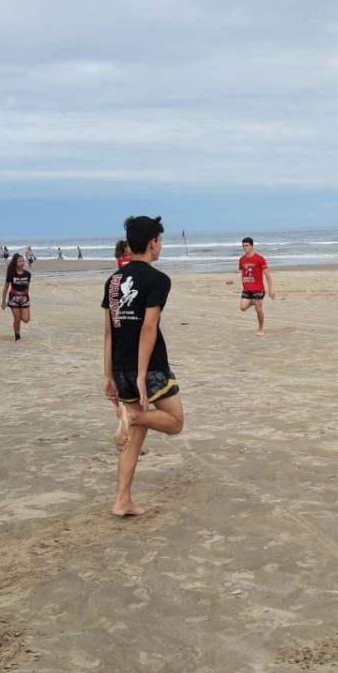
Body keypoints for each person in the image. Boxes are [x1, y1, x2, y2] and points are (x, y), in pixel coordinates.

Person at [102, 214, 184, 517]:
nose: (160, 246)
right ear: (153, 243)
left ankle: (122, 500)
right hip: (147, 368)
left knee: (134, 438)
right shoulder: (158, 279)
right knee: (174, 422)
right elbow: (149, 328)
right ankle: (133, 416)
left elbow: (109, 330)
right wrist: (140, 375)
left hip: (121, 366)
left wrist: (108, 374)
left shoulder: (113, 281)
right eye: (160, 240)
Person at [238, 237, 275, 334]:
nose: (245, 248)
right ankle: (255, 302)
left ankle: (261, 328)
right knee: (242, 307)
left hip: (258, 289)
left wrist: (271, 289)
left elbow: (267, 275)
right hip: (247, 289)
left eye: (246, 246)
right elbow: (243, 273)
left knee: (258, 310)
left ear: (252, 246)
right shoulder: (241, 259)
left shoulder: (259, 259)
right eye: (243, 246)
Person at [0, 253, 32, 339]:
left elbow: (27, 287)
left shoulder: (28, 274)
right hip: (13, 298)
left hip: (24, 298)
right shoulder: (11, 274)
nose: (22, 263)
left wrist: (26, 298)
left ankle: (19, 313)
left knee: (26, 319)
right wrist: (3, 301)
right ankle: (17, 336)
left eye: (23, 261)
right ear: (15, 263)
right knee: (17, 319)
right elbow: (6, 288)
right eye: (19, 261)